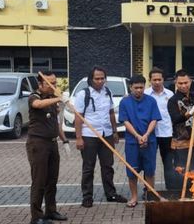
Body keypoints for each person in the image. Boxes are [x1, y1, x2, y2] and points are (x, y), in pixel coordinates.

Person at [74, 66, 127, 207]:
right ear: (90, 79)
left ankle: (111, 194)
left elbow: (110, 113)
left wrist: (115, 131)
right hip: (89, 135)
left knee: (108, 166)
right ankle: (87, 197)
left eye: (102, 78)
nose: (100, 81)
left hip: (107, 134)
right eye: (97, 78)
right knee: (88, 168)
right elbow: (78, 117)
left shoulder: (107, 92)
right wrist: (78, 137)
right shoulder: (83, 94)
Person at [26, 71, 69, 224]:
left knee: (52, 180)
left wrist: (64, 140)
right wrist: (58, 98)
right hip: (38, 144)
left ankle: (51, 211)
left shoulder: (52, 99)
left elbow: (56, 123)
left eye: (55, 83)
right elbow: (37, 105)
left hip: (52, 143)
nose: (54, 86)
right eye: (50, 83)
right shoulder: (35, 96)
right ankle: (36, 217)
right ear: (40, 84)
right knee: (39, 180)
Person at [119, 75, 161, 207]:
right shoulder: (124, 102)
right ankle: (134, 197)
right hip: (132, 142)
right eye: (136, 87)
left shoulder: (151, 101)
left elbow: (154, 119)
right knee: (132, 171)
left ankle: (150, 195)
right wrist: (137, 136)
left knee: (150, 170)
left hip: (150, 141)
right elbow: (125, 121)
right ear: (131, 87)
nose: (139, 90)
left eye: (141, 87)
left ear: (145, 86)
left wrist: (147, 134)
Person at [144, 67, 178, 190]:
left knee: (168, 163)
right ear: (150, 80)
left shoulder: (170, 94)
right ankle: (148, 189)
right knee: (148, 163)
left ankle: (171, 189)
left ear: (163, 79)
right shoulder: (145, 94)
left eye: (159, 79)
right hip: (149, 133)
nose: (157, 82)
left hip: (167, 133)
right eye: (154, 80)